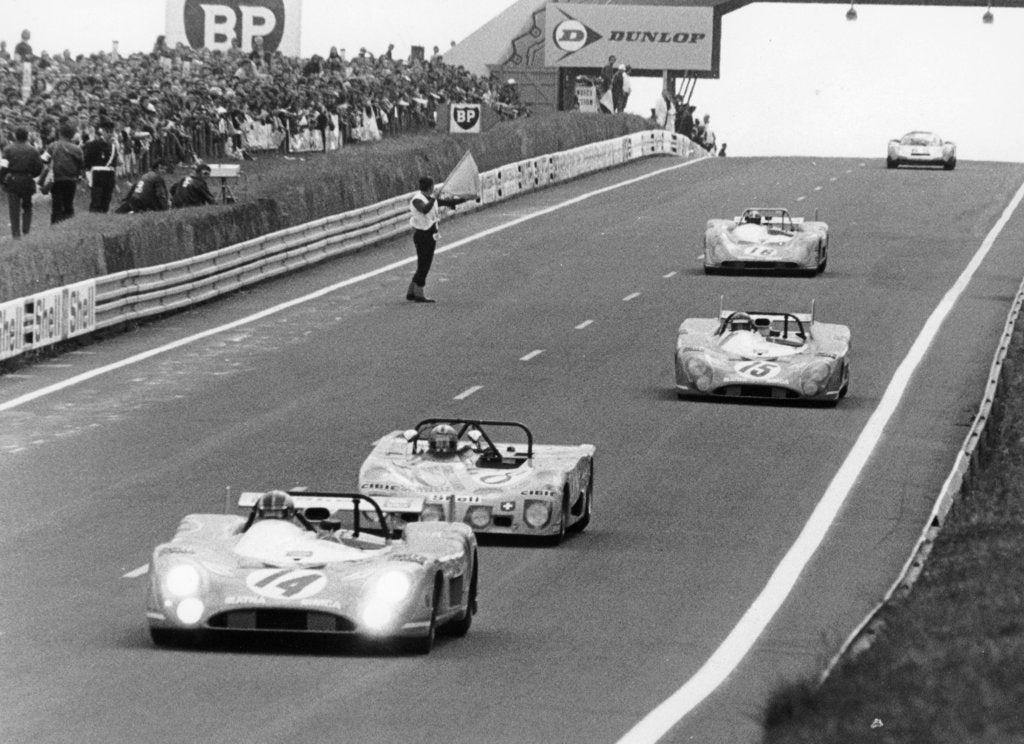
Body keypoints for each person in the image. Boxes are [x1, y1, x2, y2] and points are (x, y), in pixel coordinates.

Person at [406, 175, 467, 303]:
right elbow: (424, 209)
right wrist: (434, 198)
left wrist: (466, 199)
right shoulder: (417, 200)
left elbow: (449, 202)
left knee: (423, 264)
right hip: (423, 235)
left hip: (430, 234)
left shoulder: (430, 199)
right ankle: (419, 293)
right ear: (430, 187)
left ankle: (411, 292)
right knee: (424, 265)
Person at [1, 127, 44, 239]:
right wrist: (31, 175)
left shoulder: (8, 149)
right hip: (27, 180)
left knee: (14, 209)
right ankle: (26, 231)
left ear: (15, 135)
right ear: (27, 136)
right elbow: (39, 167)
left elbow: (4, 167)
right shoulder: (33, 150)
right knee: (27, 206)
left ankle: (15, 234)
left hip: (13, 180)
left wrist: (2, 181)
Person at [43, 122, 85, 225]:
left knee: (57, 205)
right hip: (71, 180)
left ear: (60, 134)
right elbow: (82, 165)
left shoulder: (53, 146)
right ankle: (69, 227)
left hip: (56, 180)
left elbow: (43, 159)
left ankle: (55, 228)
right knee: (69, 205)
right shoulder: (77, 149)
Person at [82, 121, 120, 213]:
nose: (110, 134)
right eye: (108, 132)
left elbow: (114, 164)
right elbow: (87, 161)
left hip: (109, 176)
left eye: (112, 132)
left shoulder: (113, 146)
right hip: (98, 176)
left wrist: (115, 181)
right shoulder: (94, 144)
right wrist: (88, 176)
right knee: (96, 202)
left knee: (106, 201)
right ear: (103, 132)